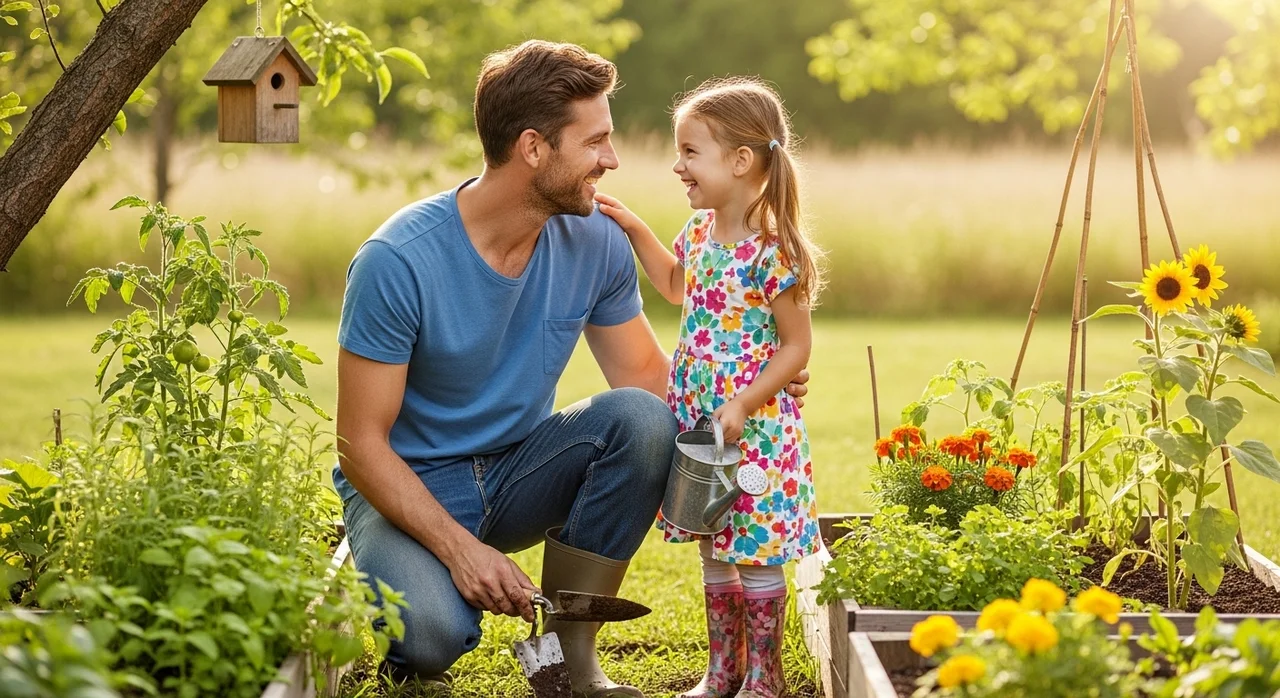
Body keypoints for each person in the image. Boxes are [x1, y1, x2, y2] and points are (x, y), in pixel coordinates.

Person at [333, 43, 809, 697]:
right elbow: (359, 444)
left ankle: (569, 658)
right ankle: (421, 595)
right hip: (409, 486)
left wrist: (755, 390)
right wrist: (461, 550)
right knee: (430, 638)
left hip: (517, 470)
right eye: (596, 142)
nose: (612, 161)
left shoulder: (594, 239)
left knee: (643, 422)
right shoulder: (398, 260)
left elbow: (646, 377)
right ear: (533, 148)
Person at [594, 78, 823, 698]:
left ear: (741, 161)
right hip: (701, 418)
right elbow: (674, 286)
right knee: (714, 538)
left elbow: (797, 346)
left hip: (754, 426)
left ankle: (764, 675)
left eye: (691, 152)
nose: (678, 165)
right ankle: (722, 672)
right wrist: (634, 227)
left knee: (755, 545)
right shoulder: (697, 234)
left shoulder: (773, 251)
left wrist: (746, 402)